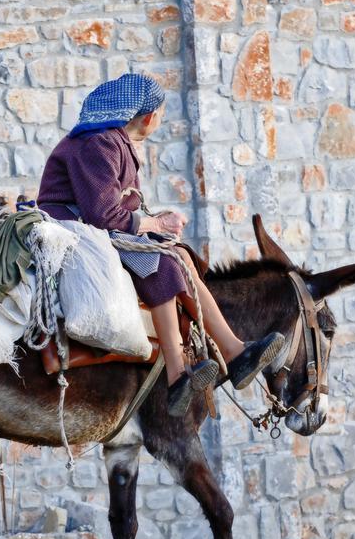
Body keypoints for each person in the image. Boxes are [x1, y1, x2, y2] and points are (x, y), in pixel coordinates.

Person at [37, 73, 284, 417]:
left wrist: (157, 221)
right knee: (163, 261)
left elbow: (123, 206)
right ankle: (178, 371)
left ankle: (233, 351)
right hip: (76, 229)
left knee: (179, 254)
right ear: (150, 117)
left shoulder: (113, 143)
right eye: (162, 114)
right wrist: (156, 225)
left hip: (94, 227)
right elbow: (101, 213)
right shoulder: (99, 144)